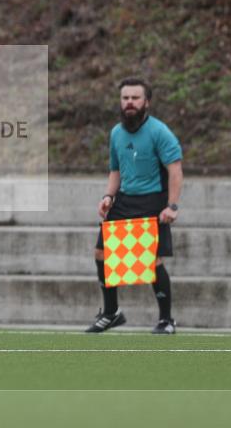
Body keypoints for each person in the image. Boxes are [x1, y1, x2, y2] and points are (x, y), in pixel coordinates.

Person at [86, 77, 183, 334]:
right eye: (125, 98)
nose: (129, 103)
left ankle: (166, 320)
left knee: (152, 261)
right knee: (101, 253)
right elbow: (115, 170)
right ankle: (111, 312)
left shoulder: (160, 132)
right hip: (125, 200)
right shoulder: (116, 133)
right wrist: (108, 197)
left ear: (146, 102)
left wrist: (172, 206)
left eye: (135, 98)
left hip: (152, 201)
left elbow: (175, 171)